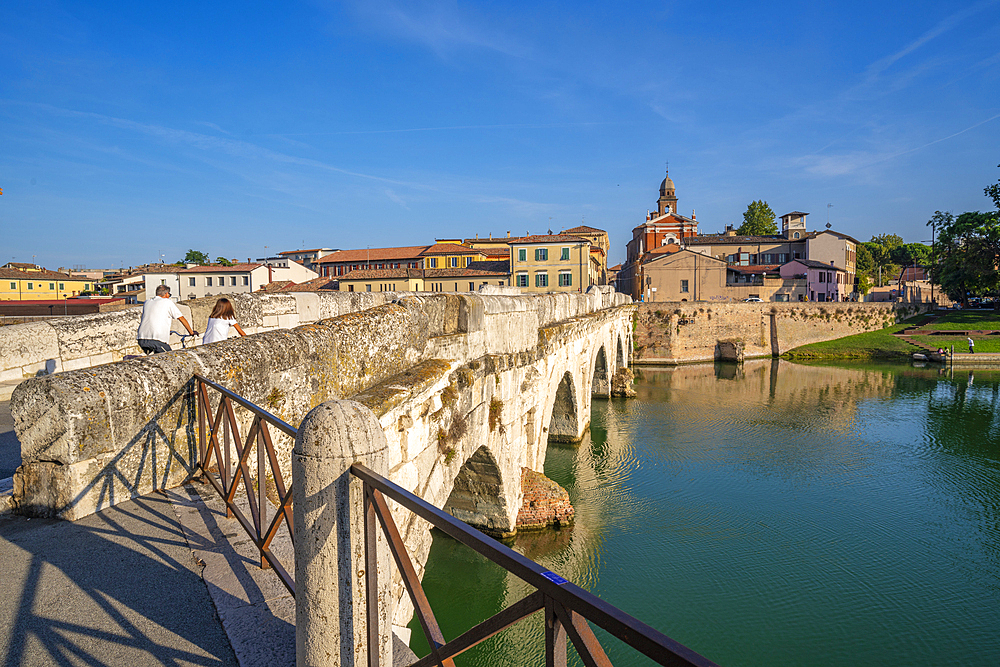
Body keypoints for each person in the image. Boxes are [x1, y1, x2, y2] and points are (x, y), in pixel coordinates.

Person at [137, 285, 196, 354]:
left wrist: (166, 330)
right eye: (169, 294)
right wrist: (191, 332)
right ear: (166, 294)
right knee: (170, 358)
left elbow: (152, 318)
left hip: (141, 338)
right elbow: (181, 318)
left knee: (156, 359)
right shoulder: (167, 302)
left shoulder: (147, 302)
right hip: (156, 338)